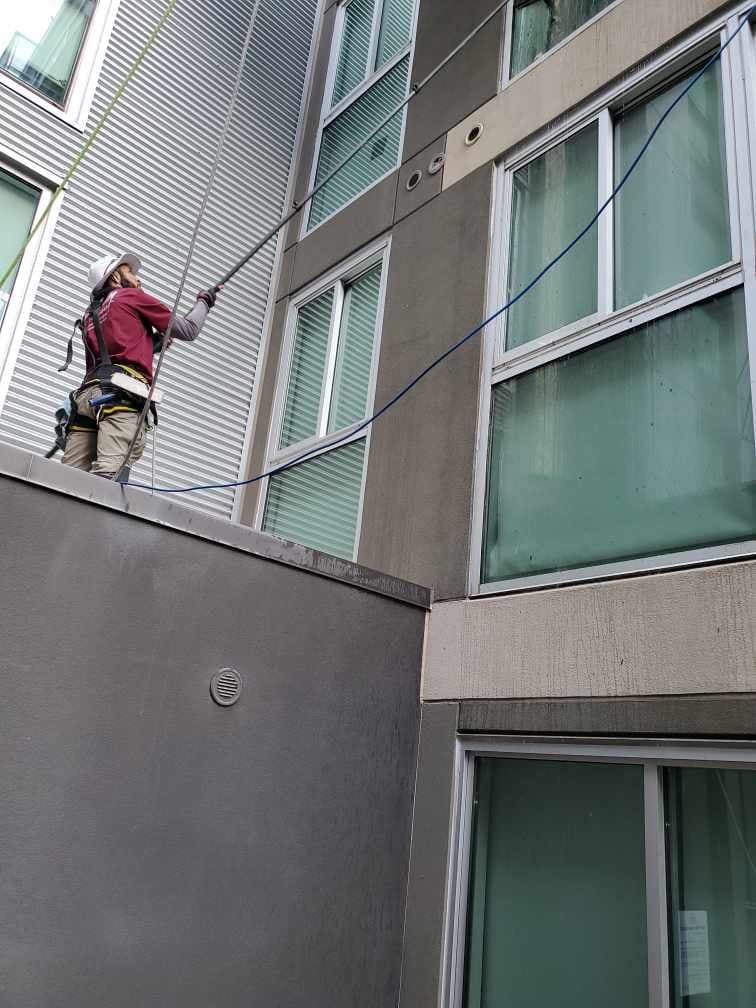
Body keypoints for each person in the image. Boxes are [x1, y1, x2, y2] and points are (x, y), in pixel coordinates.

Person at [61, 252, 218, 479]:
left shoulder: (89, 315)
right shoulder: (129, 296)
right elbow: (188, 329)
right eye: (130, 272)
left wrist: (151, 345)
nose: (138, 279)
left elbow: (112, 353)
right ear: (115, 278)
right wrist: (205, 301)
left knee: (66, 480)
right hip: (117, 397)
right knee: (108, 478)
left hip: (87, 398)